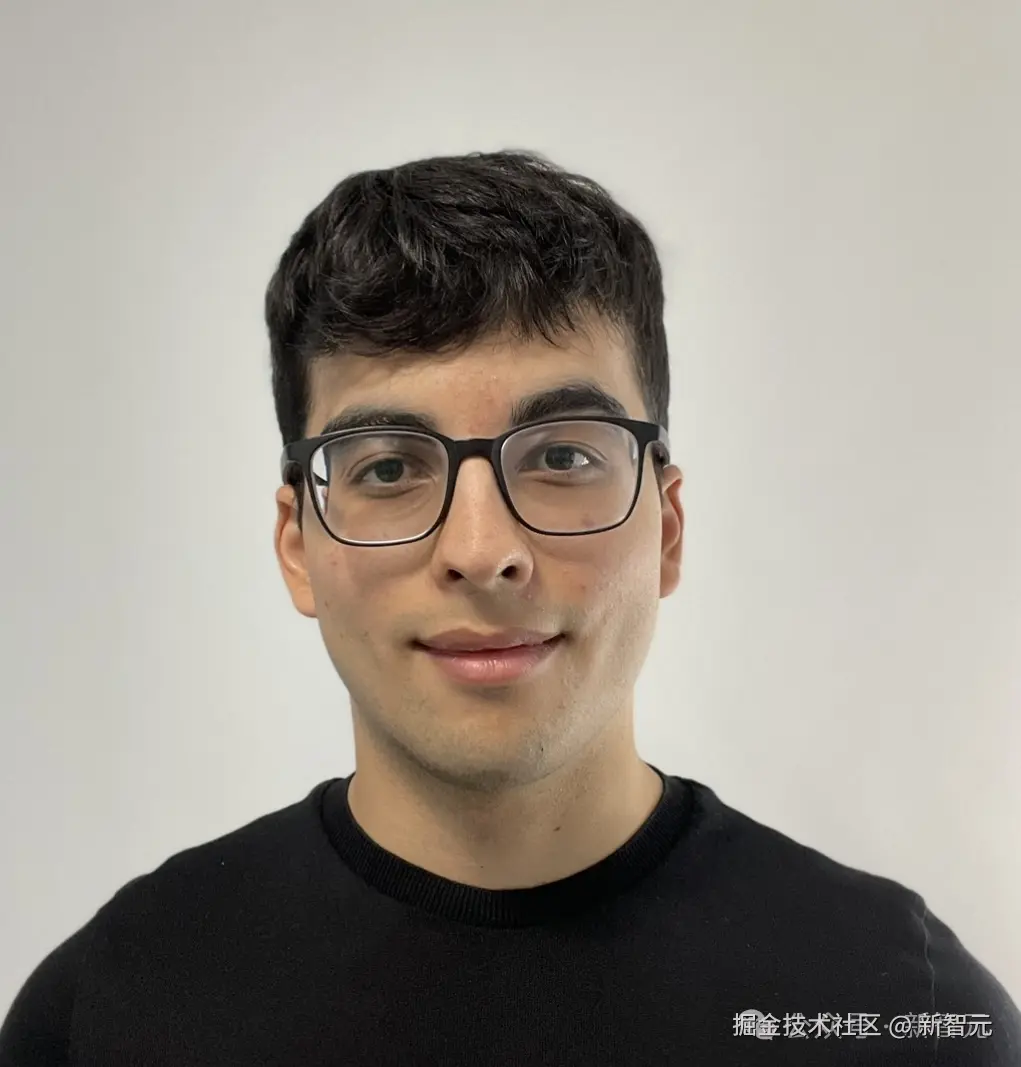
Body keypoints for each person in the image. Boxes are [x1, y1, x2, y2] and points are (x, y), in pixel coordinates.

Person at [2, 150, 1018, 1066]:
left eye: (563, 455)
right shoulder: (113, 1011)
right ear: (297, 546)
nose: (481, 552)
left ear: (666, 528)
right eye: (388, 467)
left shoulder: (897, 1008)